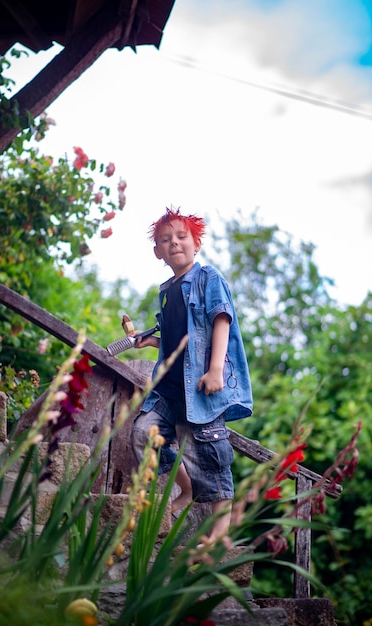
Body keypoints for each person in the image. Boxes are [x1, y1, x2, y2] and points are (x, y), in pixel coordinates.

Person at [130, 207, 252, 544]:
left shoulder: (208, 278)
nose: (174, 244)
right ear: (158, 252)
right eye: (165, 240)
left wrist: (215, 370)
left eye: (182, 237)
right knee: (143, 433)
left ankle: (220, 533)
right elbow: (177, 343)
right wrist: (152, 341)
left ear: (196, 243)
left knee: (212, 457)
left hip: (200, 389)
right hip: (169, 389)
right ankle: (184, 489)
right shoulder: (167, 291)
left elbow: (220, 320)